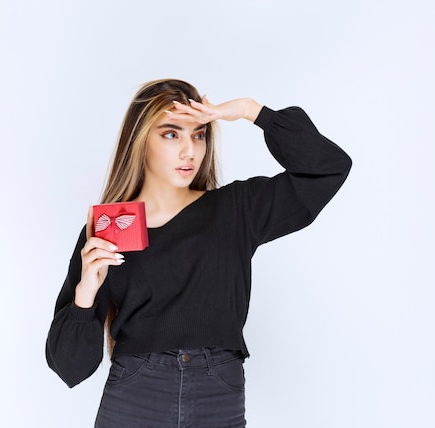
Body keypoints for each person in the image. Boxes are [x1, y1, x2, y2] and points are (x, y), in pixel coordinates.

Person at [46, 78, 352, 427]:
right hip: (136, 394)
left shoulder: (237, 209)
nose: (189, 150)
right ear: (140, 138)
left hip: (217, 392)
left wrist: (253, 112)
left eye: (199, 134)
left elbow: (329, 168)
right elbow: (70, 368)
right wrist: (86, 293)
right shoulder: (111, 228)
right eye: (172, 134)